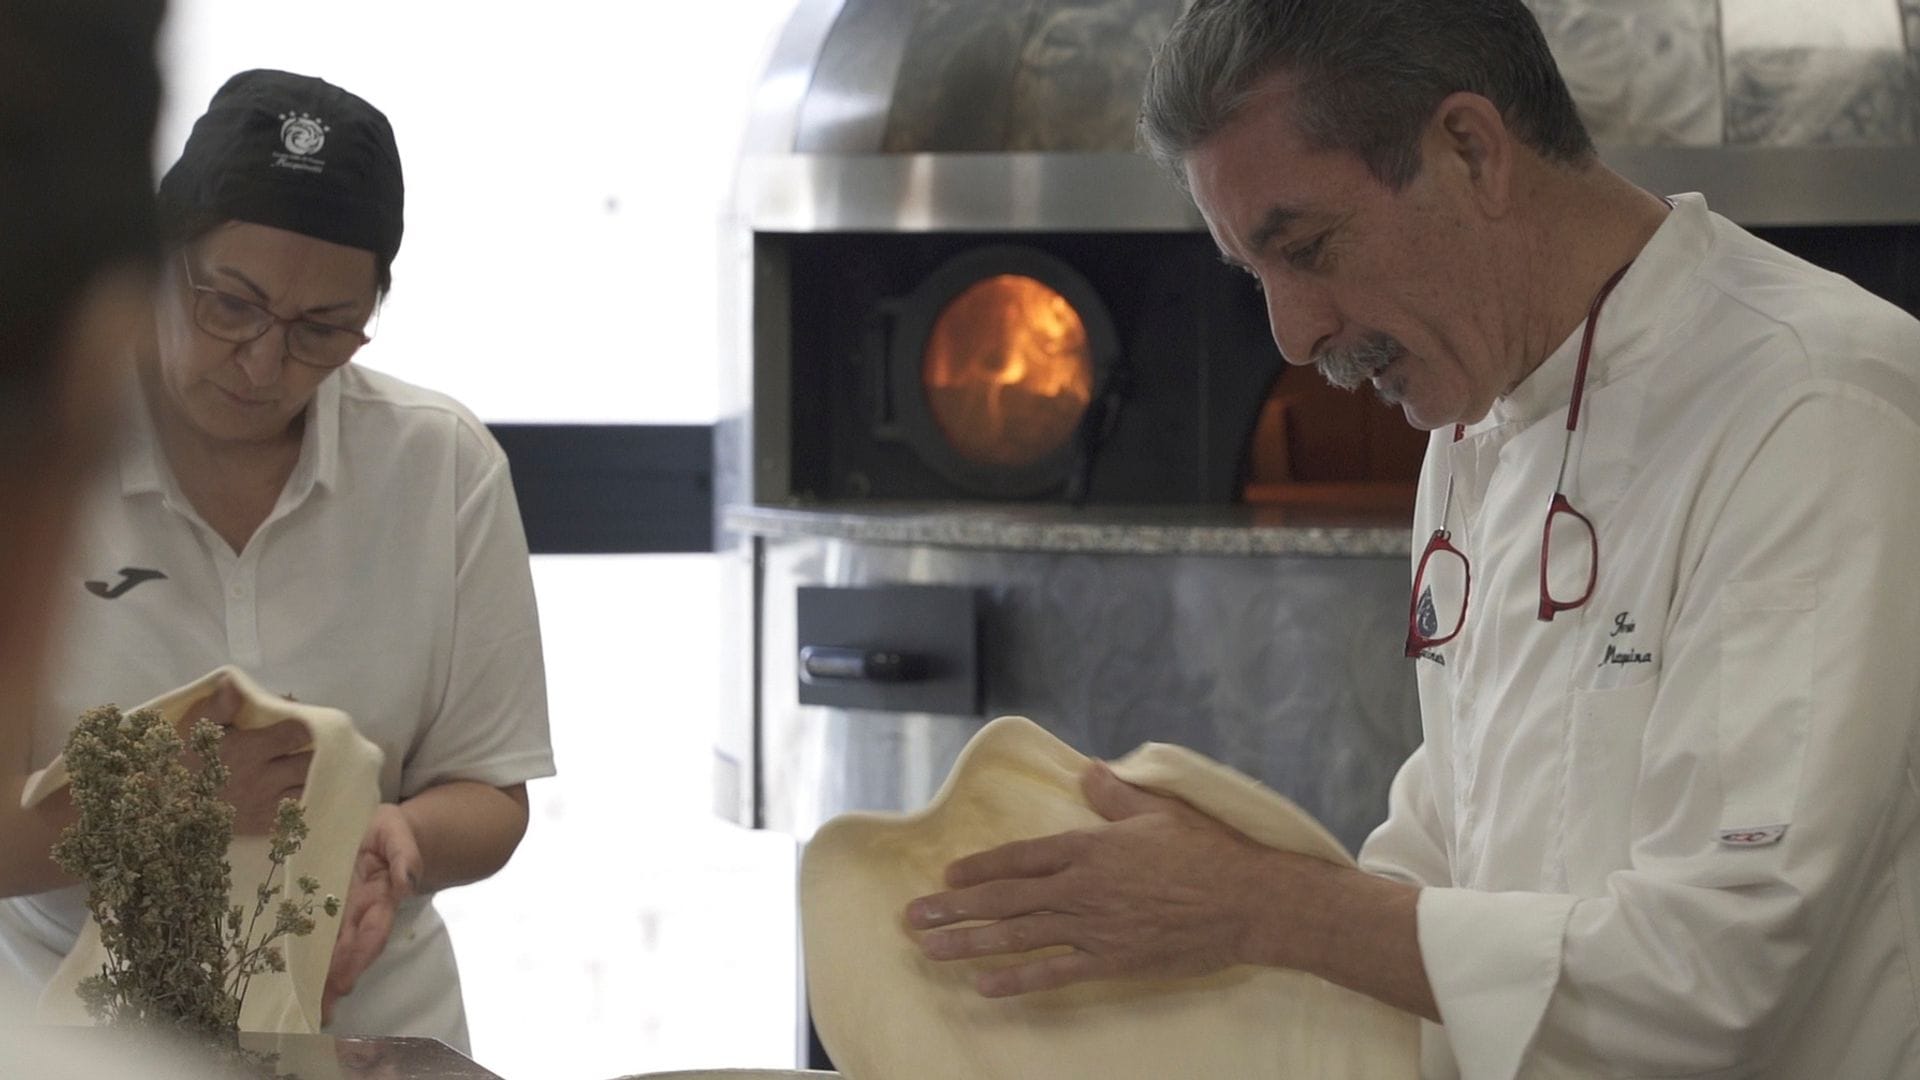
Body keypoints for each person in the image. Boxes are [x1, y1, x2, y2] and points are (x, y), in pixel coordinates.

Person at [903, 1, 1920, 1076]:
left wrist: (1261, 907)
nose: (1295, 334)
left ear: (1471, 150)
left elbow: (1722, 977)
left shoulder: (1813, 404)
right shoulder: (1475, 425)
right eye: (1258, 277)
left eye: (1308, 246)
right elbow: (1448, 848)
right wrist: (1188, 920)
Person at [0, 68, 555, 1055]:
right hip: (77, 1038)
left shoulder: (440, 465)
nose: (263, 364)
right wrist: (171, 809)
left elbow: (494, 792)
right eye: (230, 305)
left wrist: (403, 839)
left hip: (372, 1035)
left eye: (321, 330)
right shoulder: (46, 455)